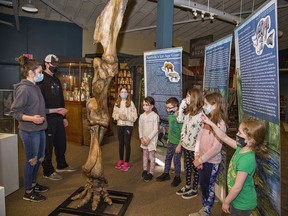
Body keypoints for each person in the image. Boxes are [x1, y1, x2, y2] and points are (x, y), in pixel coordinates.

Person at [10, 56, 67, 202]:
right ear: (31, 72)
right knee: (32, 160)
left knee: (40, 158)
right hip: (29, 131)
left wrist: (56, 110)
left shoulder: (35, 87)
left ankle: (33, 184)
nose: (41, 73)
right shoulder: (23, 89)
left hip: (40, 129)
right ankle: (28, 191)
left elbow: (41, 110)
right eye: (39, 71)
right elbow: (15, 112)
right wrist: (32, 119)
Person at [202, 116, 267, 216]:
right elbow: (223, 137)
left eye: (240, 133)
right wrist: (211, 124)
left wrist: (226, 201)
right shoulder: (240, 147)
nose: (237, 134)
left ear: (251, 141)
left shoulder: (246, 160)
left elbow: (237, 187)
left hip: (242, 203)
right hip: (237, 198)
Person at [38, 54, 75, 181]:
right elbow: (40, 103)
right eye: (53, 65)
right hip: (48, 118)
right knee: (48, 146)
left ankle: (61, 164)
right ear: (46, 63)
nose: (55, 67)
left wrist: (64, 117)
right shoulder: (41, 80)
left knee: (61, 143)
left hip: (59, 117)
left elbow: (60, 99)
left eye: (57, 65)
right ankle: (47, 171)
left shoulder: (57, 79)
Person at [191, 92, 228, 216]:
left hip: (211, 162)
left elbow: (216, 148)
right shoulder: (207, 120)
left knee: (209, 186)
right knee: (203, 185)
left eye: (206, 104)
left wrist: (201, 160)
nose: (204, 106)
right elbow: (199, 138)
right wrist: (197, 156)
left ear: (215, 105)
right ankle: (204, 208)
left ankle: (207, 211)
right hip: (201, 159)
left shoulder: (220, 124)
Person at [176, 89, 203, 199]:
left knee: (195, 168)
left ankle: (194, 188)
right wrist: (182, 105)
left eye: (188, 96)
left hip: (195, 147)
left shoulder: (201, 115)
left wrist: (198, 148)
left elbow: (201, 133)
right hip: (186, 145)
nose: (186, 98)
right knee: (187, 167)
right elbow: (179, 120)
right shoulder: (188, 112)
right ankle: (187, 186)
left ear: (194, 98)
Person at [156, 97, 183, 187]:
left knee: (176, 161)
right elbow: (171, 128)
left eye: (169, 108)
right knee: (167, 158)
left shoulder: (181, 118)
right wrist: (168, 138)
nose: (168, 110)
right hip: (171, 140)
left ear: (176, 107)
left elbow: (184, 133)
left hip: (178, 143)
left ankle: (177, 177)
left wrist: (180, 144)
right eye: (166, 108)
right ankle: (166, 173)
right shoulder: (170, 116)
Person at [112, 87, 138, 171]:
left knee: (127, 143)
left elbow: (135, 116)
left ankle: (126, 162)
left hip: (128, 125)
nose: (124, 93)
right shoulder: (117, 103)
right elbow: (113, 114)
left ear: (127, 94)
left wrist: (126, 117)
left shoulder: (131, 103)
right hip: (120, 125)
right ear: (119, 93)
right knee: (121, 143)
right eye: (122, 91)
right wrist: (118, 116)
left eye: (125, 92)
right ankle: (121, 160)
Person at [138, 96, 159, 182]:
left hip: (151, 140)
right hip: (144, 140)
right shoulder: (142, 116)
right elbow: (140, 128)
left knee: (152, 156)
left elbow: (155, 129)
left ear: (152, 106)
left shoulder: (155, 116)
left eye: (147, 105)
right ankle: (145, 170)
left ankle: (151, 172)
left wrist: (149, 139)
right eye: (144, 105)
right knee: (144, 155)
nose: (145, 107)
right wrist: (141, 138)